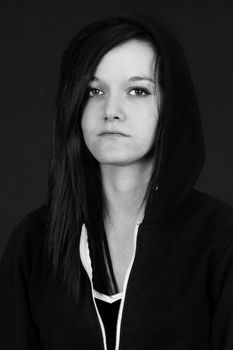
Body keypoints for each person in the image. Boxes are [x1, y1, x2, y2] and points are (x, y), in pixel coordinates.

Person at [0, 13, 233, 350]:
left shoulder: (221, 239)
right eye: (94, 90)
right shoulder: (33, 243)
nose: (111, 110)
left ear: (172, 105)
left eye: (138, 90)